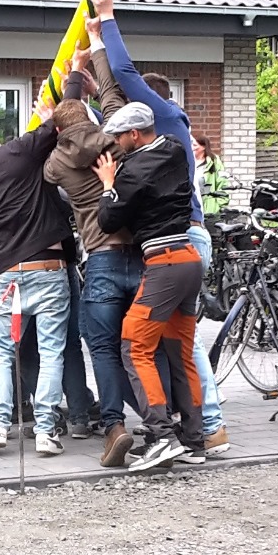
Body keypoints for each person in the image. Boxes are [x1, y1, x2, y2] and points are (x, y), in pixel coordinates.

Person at [86, 0, 230, 456]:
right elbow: (114, 100)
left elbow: (124, 74)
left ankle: (178, 431)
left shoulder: (157, 129)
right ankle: (198, 433)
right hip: (189, 248)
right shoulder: (173, 139)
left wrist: (107, 21)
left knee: (138, 344)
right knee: (180, 346)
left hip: (170, 251)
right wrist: (92, 60)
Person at [0, 109, 75, 458]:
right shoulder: (21, 149)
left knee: (3, 352)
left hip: (11, 273)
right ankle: (46, 432)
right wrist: (74, 82)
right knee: (51, 352)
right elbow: (61, 120)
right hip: (49, 267)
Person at [44, 48, 143, 467]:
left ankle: (114, 426)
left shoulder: (55, 163)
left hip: (100, 259)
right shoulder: (116, 143)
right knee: (144, 346)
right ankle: (167, 421)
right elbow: (112, 95)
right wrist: (91, 61)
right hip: (140, 256)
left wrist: (68, 85)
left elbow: (57, 136)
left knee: (101, 347)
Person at [94, 101, 206, 470]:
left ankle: (161, 436)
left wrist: (108, 184)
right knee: (180, 354)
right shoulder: (174, 149)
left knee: (134, 346)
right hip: (189, 258)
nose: (116, 143)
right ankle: (194, 440)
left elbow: (108, 220)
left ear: (134, 134)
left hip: (164, 263)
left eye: (119, 137)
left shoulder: (132, 169)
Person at [192, 133, 229, 218]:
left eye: (195, 145)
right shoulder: (189, 162)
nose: (192, 148)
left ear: (203, 147)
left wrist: (217, 205)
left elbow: (223, 183)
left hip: (210, 210)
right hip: (193, 207)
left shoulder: (214, 162)